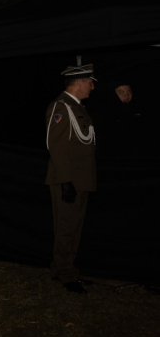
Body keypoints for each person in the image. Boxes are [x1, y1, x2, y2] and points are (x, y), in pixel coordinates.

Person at [45, 64, 97, 293]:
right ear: (77, 83)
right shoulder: (61, 107)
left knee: (74, 226)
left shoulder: (76, 107)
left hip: (80, 177)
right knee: (66, 227)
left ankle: (62, 269)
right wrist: (65, 180)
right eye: (89, 82)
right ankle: (67, 274)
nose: (92, 87)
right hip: (68, 179)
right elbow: (55, 146)